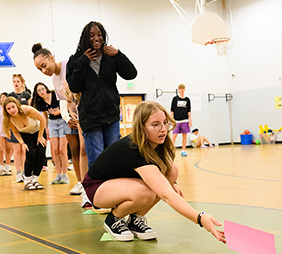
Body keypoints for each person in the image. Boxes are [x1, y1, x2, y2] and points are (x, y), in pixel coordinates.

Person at [82, 101, 226, 243]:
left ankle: (135, 219)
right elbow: (166, 195)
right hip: (97, 187)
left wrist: (172, 182)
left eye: (165, 123)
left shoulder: (156, 143)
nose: (163, 129)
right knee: (145, 193)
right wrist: (200, 218)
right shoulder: (133, 148)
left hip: (121, 183)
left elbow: (163, 174)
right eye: (155, 125)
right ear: (141, 127)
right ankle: (114, 219)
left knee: (171, 171)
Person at [67, 21, 137, 168]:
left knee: (113, 156)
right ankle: (97, 190)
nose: (96, 38)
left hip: (111, 115)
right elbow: (74, 86)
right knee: (97, 159)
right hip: (91, 117)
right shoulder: (76, 60)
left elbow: (131, 74)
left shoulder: (110, 56)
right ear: (85, 38)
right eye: (92, 35)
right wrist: (83, 62)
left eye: (99, 35)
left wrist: (118, 54)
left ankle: (113, 189)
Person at [32, 43, 90, 204]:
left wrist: (76, 113)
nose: (44, 71)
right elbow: (66, 101)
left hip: (85, 115)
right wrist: (68, 116)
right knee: (76, 150)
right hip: (70, 118)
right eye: (40, 70)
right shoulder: (54, 80)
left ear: (51, 58)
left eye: (44, 66)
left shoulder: (69, 65)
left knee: (86, 149)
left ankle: (89, 185)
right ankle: (81, 183)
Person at [2, 97, 47, 190]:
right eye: (8, 109)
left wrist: (40, 136)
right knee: (31, 153)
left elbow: (42, 119)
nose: (12, 110)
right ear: (6, 111)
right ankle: (27, 179)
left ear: (17, 105)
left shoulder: (28, 110)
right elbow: (16, 132)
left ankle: (35, 179)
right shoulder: (9, 119)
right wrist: (22, 143)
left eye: (13, 107)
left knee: (41, 154)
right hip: (25, 134)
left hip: (39, 131)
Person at [31, 82, 70, 185]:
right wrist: (45, 129)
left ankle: (65, 175)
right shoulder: (40, 102)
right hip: (52, 124)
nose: (41, 92)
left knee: (62, 150)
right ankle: (58, 174)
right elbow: (44, 117)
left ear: (46, 88)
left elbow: (66, 107)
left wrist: (60, 112)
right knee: (55, 150)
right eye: (38, 90)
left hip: (62, 121)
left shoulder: (55, 95)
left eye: (42, 89)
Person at [8, 74, 31, 182]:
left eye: (18, 81)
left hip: (25, 126)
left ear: (22, 83)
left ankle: (25, 172)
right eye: (14, 81)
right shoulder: (10, 96)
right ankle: (18, 173)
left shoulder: (27, 95)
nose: (16, 83)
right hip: (15, 126)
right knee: (16, 150)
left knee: (24, 149)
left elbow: (31, 110)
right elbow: (6, 113)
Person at [0, 92, 13, 176]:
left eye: (4, 97)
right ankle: (0, 167)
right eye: (1, 97)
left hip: (9, 133)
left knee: (8, 150)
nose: (2, 99)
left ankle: (7, 167)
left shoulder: (9, 108)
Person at [171, 84, 192, 157]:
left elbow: (189, 111)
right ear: (178, 89)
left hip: (185, 120)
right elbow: (172, 110)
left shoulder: (187, 99)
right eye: (180, 88)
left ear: (185, 89)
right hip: (176, 120)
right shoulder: (175, 99)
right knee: (174, 135)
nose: (182, 90)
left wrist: (190, 121)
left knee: (184, 135)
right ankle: (171, 150)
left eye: (183, 88)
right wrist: (171, 120)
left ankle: (183, 150)